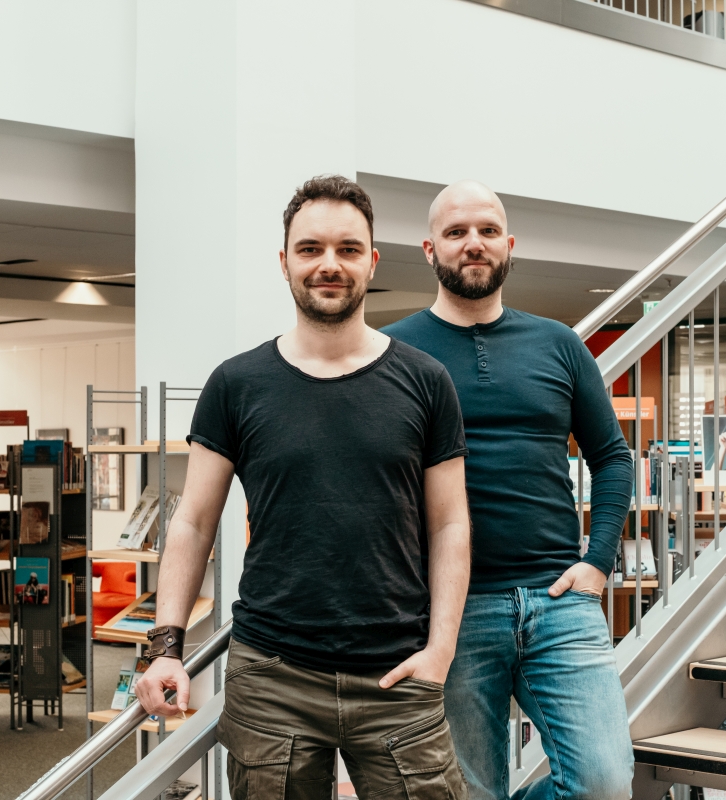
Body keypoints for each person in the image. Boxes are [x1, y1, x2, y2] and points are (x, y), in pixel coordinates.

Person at [134, 175, 473, 800]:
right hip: (273, 677)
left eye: (348, 249)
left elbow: (450, 523)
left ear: (371, 261)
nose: (329, 264)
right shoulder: (235, 385)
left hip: (397, 673)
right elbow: (192, 522)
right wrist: (165, 646)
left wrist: (441, 651)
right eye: (311, 248)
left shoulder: (427, 381)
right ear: (284, 260)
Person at [384, 181, 635, 800]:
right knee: (470, 790)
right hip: (451, 612)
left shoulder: (559, 344)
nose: (474, 244)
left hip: (560, 602)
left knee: (604, 785)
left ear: (509, 245)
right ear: (428, 249)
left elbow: (612, 457)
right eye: (457, 232)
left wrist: (597, 563)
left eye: (488, 231)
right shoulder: (393, 352)